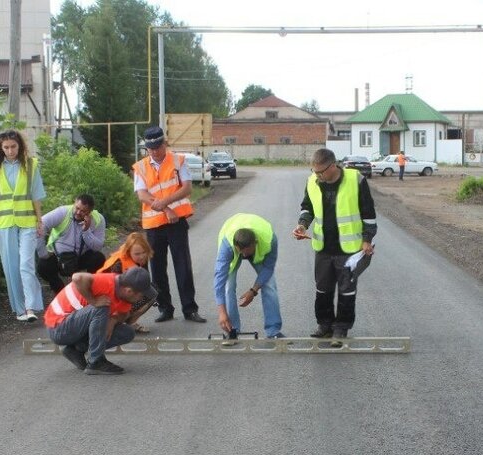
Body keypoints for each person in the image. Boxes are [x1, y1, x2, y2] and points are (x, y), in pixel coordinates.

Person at [294, 148, 377, 341]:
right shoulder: (312, 181)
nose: (317, 175)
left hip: (349, 249)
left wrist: (367, 239)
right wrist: (302, 225)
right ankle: (325, 325)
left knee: (347, 290)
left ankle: (341, 328)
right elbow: (307, 207)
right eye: (314, 171)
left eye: (321, 172)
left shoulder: (355, 180)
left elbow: (368, 212)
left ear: (333, 166)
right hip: (323, 247)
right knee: (322, 289)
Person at [133, 125, 205, 324]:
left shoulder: (178, 160)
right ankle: (165, 308)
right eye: (151, 149)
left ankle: (190, 309)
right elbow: (142, 194)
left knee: (183, 265)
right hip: (154, 225)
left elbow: (187, 188)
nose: (155, 152)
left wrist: (164, 203)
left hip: (176, 223)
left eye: (158, 147)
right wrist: (166, 209)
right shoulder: (140, 167)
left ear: (165, 143)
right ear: (146, 149)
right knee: (157, 268)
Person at [44, 266, 156, 375]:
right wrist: (93, 301)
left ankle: (75, 350)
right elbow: (77, 277)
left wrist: (112, 321)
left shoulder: (125, 296)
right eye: (141, 295)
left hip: (75, 327)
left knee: (127, 333)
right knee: (101, 307)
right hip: (58, 327)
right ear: (129, 291)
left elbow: (123, 314)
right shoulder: (107, 282)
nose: (142, 299)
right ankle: (95, 362)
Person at [0, 129, 46, 323]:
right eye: (6, 148)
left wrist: (39, 220)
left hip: (27, 221)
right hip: (4, 223)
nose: (10, 151)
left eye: (13, 147)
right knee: (10, 267)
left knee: (25, 264)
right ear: (0, 148)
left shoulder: (31, 165)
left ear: (20, 146)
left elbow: (36, 195)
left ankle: (31, 307)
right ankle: (19, 309)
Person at [212, 213, 284, 341]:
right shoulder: (227, 245)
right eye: (241, 251)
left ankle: (273, 331)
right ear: (235, 246)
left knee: (270, 284)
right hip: (231, 237)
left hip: (258, 243)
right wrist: (222, 313)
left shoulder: (270, 239)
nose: (244, 255)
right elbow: (219, 281)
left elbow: (268, 268)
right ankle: (232, 331)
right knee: (229, 286)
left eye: (247, 251)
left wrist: (253, 290)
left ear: (255, 243)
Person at [36, 194, 107, 294]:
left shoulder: (98, 219)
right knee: (43, 266)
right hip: (58, 257)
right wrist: (43, 253)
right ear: (74, 203)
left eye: (83, 211)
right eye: (77, 208)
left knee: (99, 258)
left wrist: (86, 231)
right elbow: (40, 225)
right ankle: (61, 291)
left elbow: (98, 247)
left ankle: (91, 290)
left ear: (90, 212)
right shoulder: (63, 212)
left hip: (80, 257)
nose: (78, 212)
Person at [97, 231, 155, 333]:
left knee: (151, 293)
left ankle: (128, 322)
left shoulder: (138, 260)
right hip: (105, 296)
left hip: (121, 292)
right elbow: (114, 290)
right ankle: (116, 322)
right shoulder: (118, 265)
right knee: (144, 294)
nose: (141, 256)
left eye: (144, 252)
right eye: (137, 254)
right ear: (129, 251)